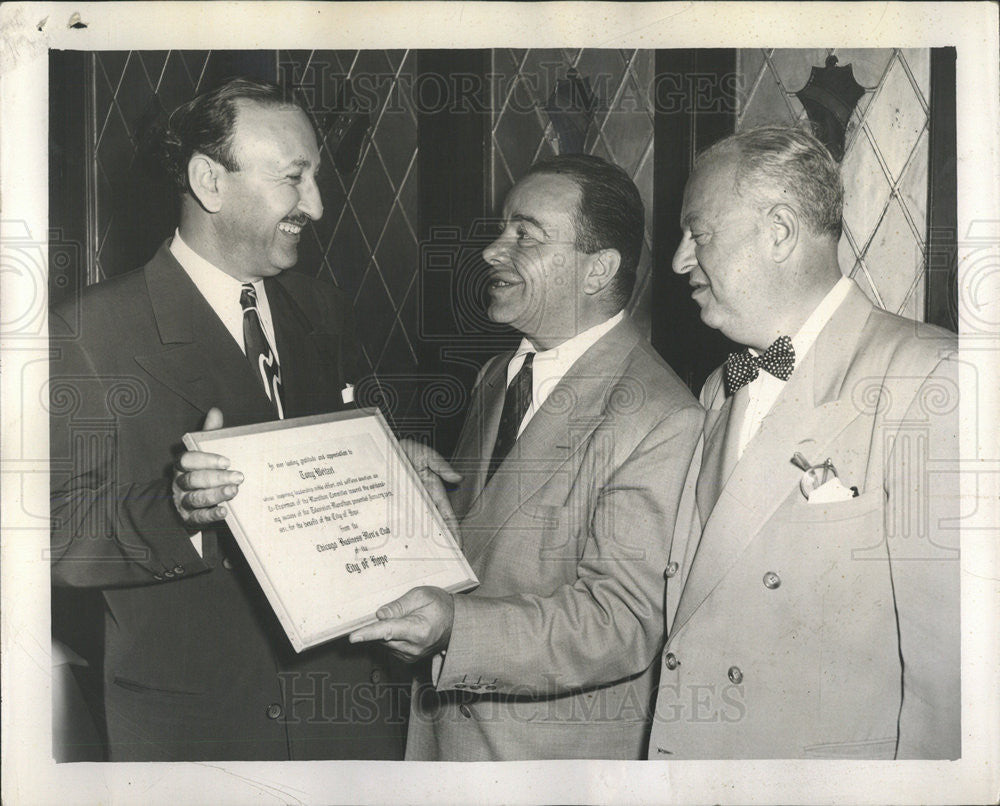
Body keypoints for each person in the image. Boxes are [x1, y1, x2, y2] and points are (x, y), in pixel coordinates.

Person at [48, 78, 408, 761]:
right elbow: (57, 533)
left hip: (346, 712)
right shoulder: (88, 333)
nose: (319, 207)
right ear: (209, 182)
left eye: (318, 180)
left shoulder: (322, 309)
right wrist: (179, 510)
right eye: (295, 180)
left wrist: (394, 473)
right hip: (204, 727)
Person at [349, 154, 704, 760]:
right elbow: (490, 547)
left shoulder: (660, 416)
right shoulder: (500, 373)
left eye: (525, 235)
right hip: (448, 743)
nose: (492, 251)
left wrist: (458, 629)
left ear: (599, 270)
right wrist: (414, 496)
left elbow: (618, 623)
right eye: (502, 229)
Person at [648, 126, 960, 759]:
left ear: (780, 230)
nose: (680, 260)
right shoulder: (718, 388)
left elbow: (952, 685)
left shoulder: (932, 378)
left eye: (698, 233)